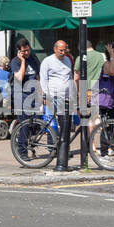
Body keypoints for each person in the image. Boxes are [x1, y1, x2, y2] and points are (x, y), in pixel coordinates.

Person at [40, 39, 79, 171]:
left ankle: (63, 150)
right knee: (52, 124)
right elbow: (43, 79)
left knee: (65, 125)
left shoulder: (68, 60)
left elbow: (69, 78)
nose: (63, 52)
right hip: (52, 96)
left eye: (65, 50)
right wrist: (45, 95)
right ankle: (52, 150)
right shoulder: (47, 61)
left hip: (65, 97)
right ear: (55, 49)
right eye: (61, 50)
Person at [9, 40, 41, 117]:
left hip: (34, 95)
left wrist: (41, 94)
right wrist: (23, 61)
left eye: (28, 50)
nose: (26, 53)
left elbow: (37, 77)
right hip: (22, 95)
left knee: (36, 122)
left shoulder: (33, 59)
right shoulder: (15, 61)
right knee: (25, 124)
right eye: (24, 51)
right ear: (19, 51)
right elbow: (19, 78)